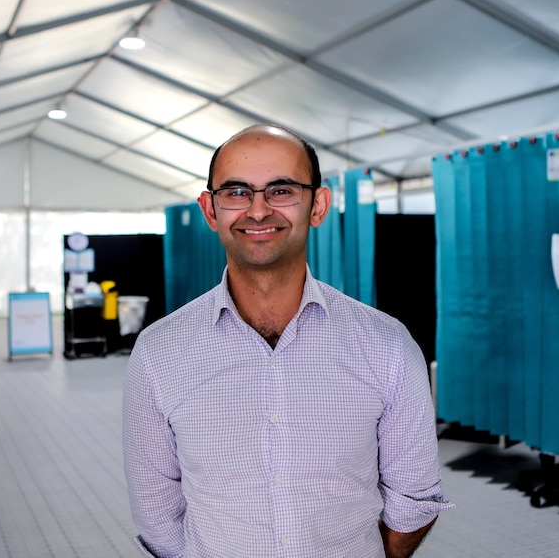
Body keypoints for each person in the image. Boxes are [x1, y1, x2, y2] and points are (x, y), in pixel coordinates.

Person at [122, 124, 453, 558]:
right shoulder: (159, 352)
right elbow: (155, 507)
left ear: (318, 205)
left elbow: (414, 497)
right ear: (210, 210)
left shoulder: (386, 346)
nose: (258, 211)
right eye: (237, 192)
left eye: (281, 190)